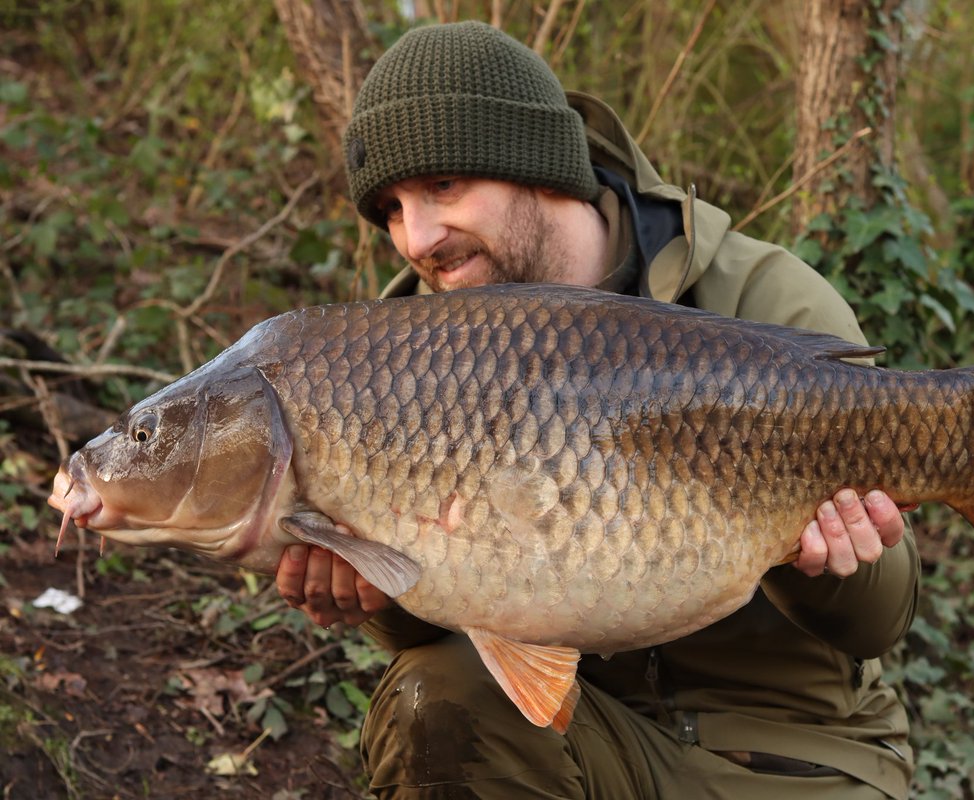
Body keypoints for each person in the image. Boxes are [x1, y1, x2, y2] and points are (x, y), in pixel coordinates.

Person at [275, 20, 920, 800]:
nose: (417, 237)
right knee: (435, 698)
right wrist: (376, 596)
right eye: (390, 209)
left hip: (787, 755)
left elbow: (879, 623)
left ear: (538, 166)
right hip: (569, 745)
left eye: (442, 187)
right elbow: (450, 634)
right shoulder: (404, 357)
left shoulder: (759, 300)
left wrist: (825, 563)